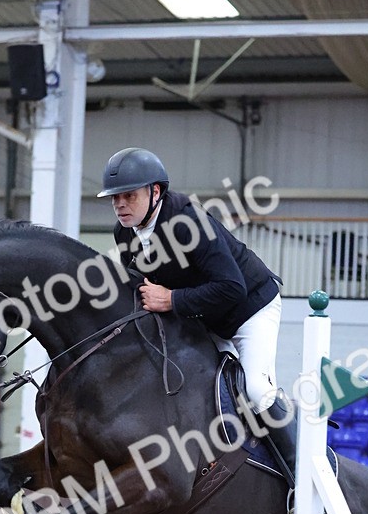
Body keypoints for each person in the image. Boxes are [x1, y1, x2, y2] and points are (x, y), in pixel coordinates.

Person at [98, 146, 296, 485]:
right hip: (205, 316)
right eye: (115, 198)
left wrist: (172, 300)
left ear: (155, 191)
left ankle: (298, 479)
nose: (120, 205)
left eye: (128, 195)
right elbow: (141, 289)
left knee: (257, 390)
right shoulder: (124, 234)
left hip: (250, 310)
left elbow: (231, 287)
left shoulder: (189, 223)